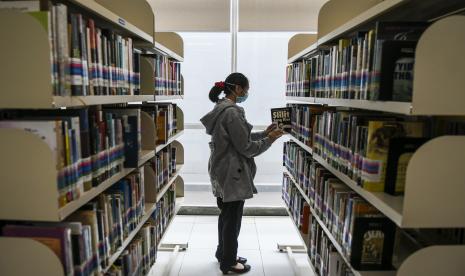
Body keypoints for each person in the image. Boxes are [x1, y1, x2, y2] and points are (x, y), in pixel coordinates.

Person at [200, 72, 284, 274]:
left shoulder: (221, 108)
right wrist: (270, 140)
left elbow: (237, 138)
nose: (247, 92)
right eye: (246, 88)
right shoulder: (233, 112)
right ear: (237, 88)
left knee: (226, 214)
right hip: (232, 173)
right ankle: (228, 262)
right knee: (232, 218)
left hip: (222, 169)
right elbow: (246, 147)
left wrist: (264, 133)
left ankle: (223, 253)